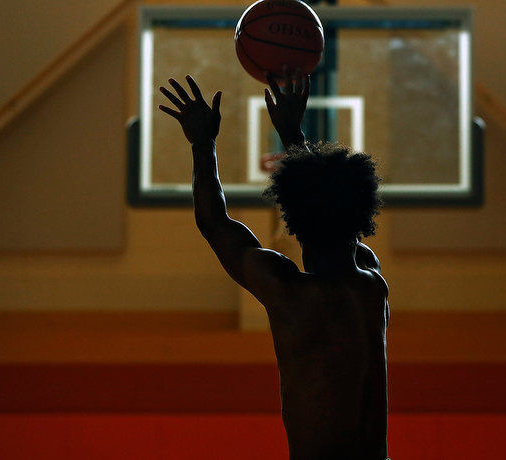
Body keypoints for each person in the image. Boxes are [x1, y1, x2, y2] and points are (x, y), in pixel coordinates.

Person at [159, 68, 390, 460]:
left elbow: (214, 223)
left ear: (295, 224)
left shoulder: (291, 293)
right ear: (360, 217)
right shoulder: (372, 284)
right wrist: (294, 138)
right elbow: (327, 203)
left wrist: (202, 143)